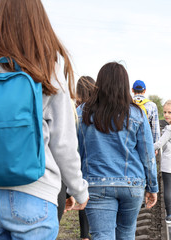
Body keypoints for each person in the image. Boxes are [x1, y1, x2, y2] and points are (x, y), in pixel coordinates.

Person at [0, 0, 89, 239]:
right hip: (35, 195)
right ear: (38, 22)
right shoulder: (49, 66)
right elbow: (63, 143)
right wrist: (78, 190)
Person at [77, 62, 158, 240]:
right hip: (132, 184)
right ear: (125, 85)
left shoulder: (83, 112)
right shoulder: (137, 114)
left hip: (96, 183)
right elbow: (148, 154)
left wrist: (74, 186)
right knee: (127, 234)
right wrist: (152, 187)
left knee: (102, 235)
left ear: (99, 84)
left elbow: (75, 152)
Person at [75, 76, 96, 240]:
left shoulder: (77, 111)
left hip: (81, 162)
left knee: (83, 200)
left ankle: (84, 236)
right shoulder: (100, 110)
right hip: (96, 162)